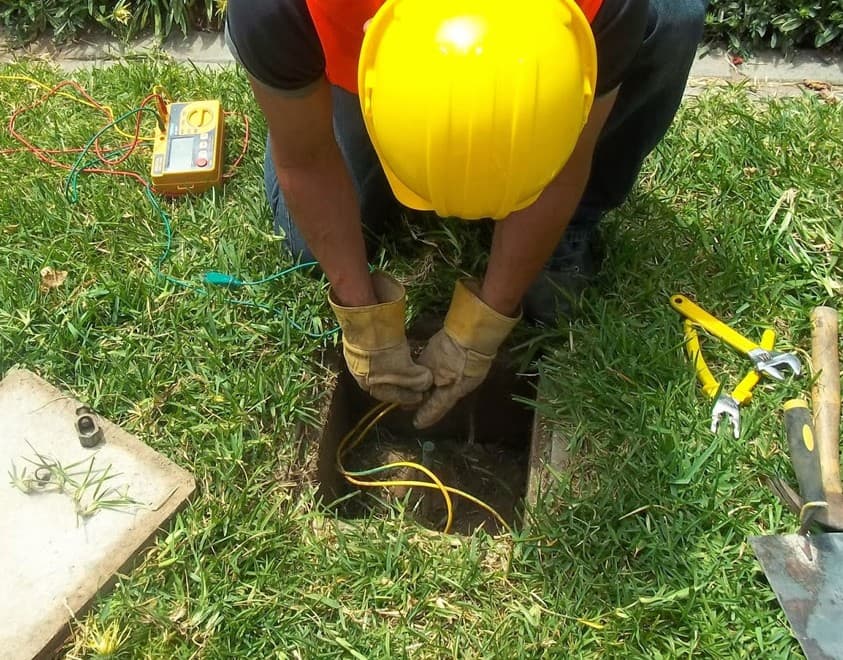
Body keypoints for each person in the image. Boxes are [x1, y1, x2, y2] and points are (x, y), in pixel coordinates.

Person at [225, 0, 708, 429]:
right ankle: (320, 104)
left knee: (673, 14)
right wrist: (361, 317)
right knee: (310, 247)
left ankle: (571, 226)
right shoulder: (277, 9)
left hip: (558, 52)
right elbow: (306, 161)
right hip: (345, 59)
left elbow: (564, 168)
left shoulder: (601, 8)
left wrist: (483, 326)